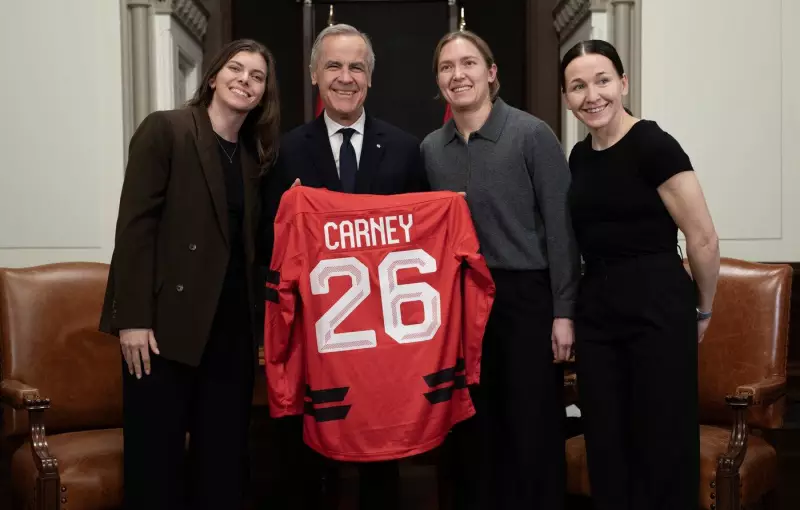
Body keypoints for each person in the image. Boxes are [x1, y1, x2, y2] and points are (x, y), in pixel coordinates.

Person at [99, 39, 280, 510]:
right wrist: (133, 319)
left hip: (230, 335)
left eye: (257, 76)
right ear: (213, 77)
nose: (245, 80)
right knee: (155, 466)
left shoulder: (252, 156)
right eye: (236, 69)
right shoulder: (167, 129)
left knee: (221, 467)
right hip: (163, 330)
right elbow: (135, 229)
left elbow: (252, 248)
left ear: (264, 93)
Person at [259, 23, 429, 510]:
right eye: (333, 65)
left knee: (381, 460)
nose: (345, 77)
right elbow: (267, 246)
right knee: (309, 461)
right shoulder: (285, 151)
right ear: (315, 74)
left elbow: (423, 241)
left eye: (357, 67)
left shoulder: (405, 149)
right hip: (313, 335)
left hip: (383, 339)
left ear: (370, 78)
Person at [421, 30, 580, 510]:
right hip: (460, 303)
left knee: (530, 426)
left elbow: (562, 228)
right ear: (439, 82)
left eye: (468, 63)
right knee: (472, 427)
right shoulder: (431, 149)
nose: (458, 74)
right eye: (446, 67)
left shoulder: (532, 134)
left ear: (491, 73)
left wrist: (564, 311)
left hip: (525, 299)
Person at [561, 39, 720, 510]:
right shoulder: (578, 156)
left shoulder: (654, 144)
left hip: (658, 307)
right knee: (606, 441)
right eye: (578, 86)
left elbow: (703, 239)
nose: (592, 95)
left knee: (661, 439)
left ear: (624, 83)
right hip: (597, 313)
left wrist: (704, 307)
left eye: (603, 81)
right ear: (567, 97)